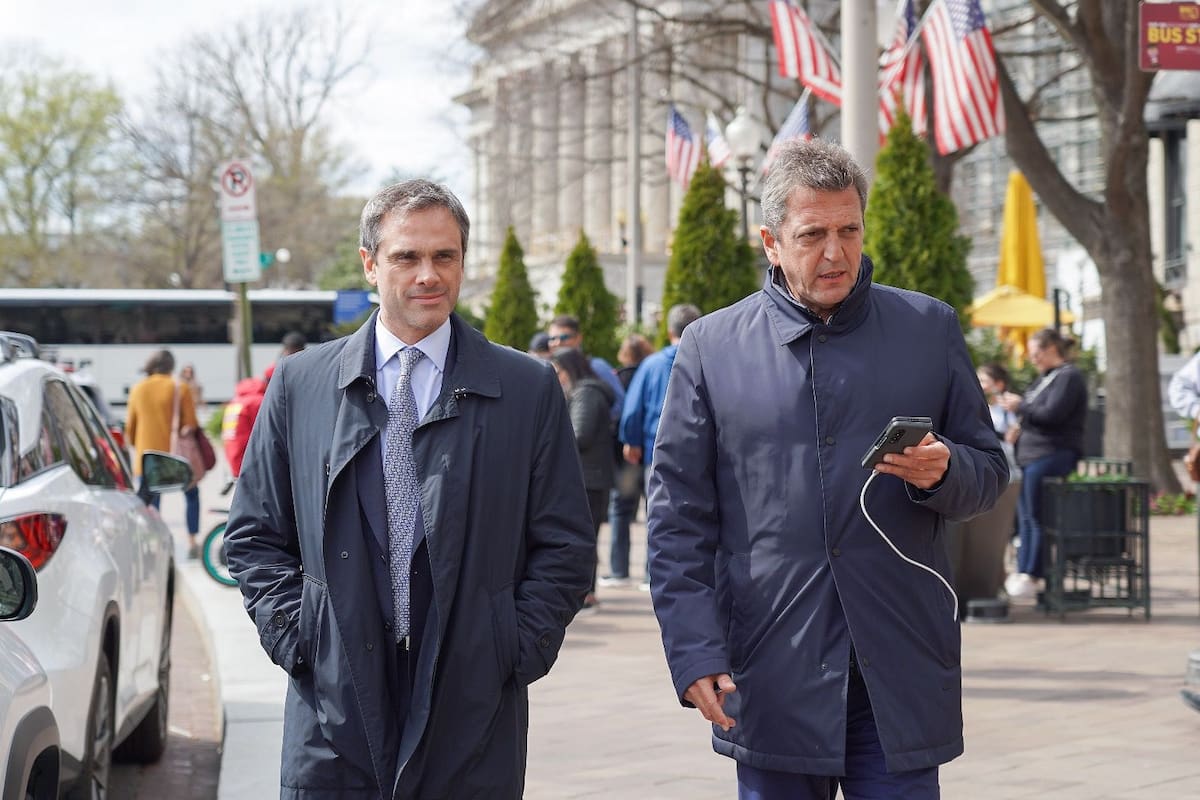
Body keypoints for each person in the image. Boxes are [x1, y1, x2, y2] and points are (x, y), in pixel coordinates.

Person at [646, 138, 1007, 799]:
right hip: (770, 665)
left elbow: (988, 470)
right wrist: (694, 650)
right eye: (812, 234)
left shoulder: (928, 329)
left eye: (849, 230)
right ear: (771, 241)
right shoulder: (710, 348)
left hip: (895, 662)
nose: (835, 252)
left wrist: (944, 470)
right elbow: (677, 521)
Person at [222, 178, 594, 798]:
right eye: (407, 257)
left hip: (471, 702)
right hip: (333, 704)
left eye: (444, 256)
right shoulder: (300, 385)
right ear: (371, 264)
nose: (428, 274)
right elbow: (256, 535)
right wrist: (301, 636)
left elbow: (565, 543)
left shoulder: (527, 389)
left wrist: (513, 646)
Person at [614, 304, 701, 591]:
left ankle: (652, 574)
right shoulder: (709, 358)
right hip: (701, 452)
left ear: (669, 331)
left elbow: (633, 408)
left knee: (657, 513)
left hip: (656, 450)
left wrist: (631, 440)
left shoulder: (651, 365)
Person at [999, 327, 1088, 600]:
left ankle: (1033, 572)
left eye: (1036, 353)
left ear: (1051, 350)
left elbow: (1052, 414)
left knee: (1034, 514)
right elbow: (1037, 413)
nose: (1033, 359)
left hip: (1052, 453)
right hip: (1034, 453)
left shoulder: (1068, 376)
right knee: (1026, 514)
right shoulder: (1045, 378)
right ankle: (1026, 568)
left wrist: (1020, 407)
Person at [550, 346, 616, 612]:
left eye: (559, 372)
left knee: (583, 537)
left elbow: (579, 434)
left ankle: (586, 593)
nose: (557, 377)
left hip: (589, 477)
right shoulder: (585, 391)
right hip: (591, 476)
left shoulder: (586, 393)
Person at [126, 349, 203, 557]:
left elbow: (130, 429)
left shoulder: (137, 389)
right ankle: (192, 540)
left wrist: (141, 444)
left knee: (150, 503)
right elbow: (191, 423)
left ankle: (152, 546)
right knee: (192, 495)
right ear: (171, 367)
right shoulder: (180, 388)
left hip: (147, 457)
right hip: (175, 458)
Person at [600, 332, 655, 587]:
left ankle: (619, 569)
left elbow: (627, 412)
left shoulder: (617, 377)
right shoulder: (654, 370)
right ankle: (649, 573)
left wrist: (628, 440)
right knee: (652, 512)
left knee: (620, 510)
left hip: (627, 453)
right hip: (652, 448)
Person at [546, 314, 624, 415]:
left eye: (564, 337)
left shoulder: (597, 366)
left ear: (578, 338)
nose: (558, 343)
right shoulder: (547, 370)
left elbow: (619, 404)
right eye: (552, 339)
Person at [221, 374, 268, 477]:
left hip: (233, 456)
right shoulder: (257, 401)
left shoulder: (234, 402)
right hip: (250, 459)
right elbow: (266, 431)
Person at [977, 362, 1019, 474]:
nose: (979, 385)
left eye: (983, 381)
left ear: (999, 385)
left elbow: (1012, 435)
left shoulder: (1008, 408)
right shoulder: (977, 407)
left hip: (1004, 465)